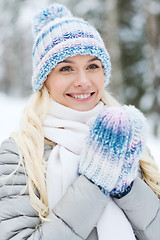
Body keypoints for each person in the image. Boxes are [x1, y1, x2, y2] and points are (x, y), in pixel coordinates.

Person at [0, 3, 160, 240]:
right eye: (66, 68)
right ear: (44, 80)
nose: (83, 81)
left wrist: (126, 188)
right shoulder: (18, 154)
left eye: (92, 66)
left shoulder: (125, 138)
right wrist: (95, 182)